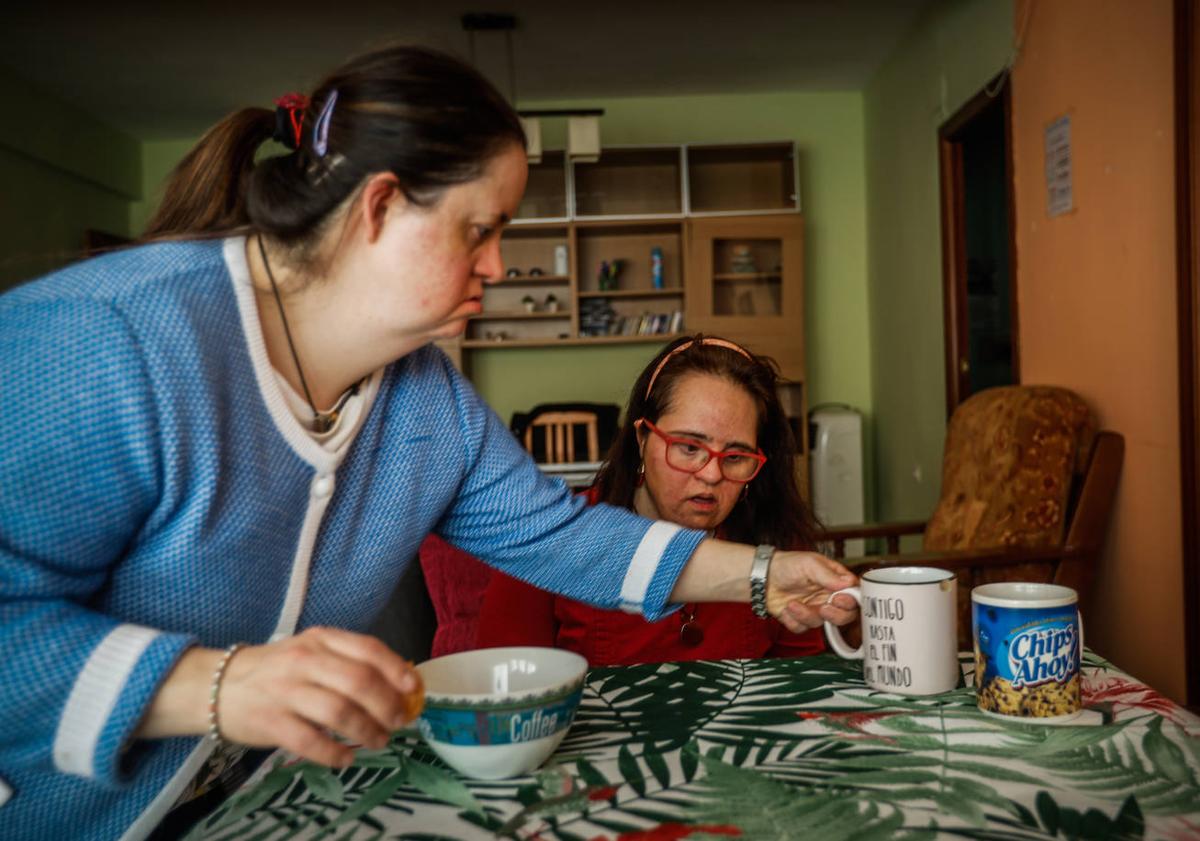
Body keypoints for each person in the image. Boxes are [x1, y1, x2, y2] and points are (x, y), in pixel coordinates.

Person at [0, 44, 857, 841]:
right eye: (479, 230)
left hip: (254, 807)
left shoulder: (424, 399)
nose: (494, 265)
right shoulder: (100, 341)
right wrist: (223, 684)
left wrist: (762, 574)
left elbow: (562, 537)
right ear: (380, 207)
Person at [475, 335, 829, 665]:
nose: (710, 475)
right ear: (642, 438)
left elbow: (799, 684)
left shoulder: (778, 540)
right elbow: (503, 688)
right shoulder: (551, 538)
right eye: (689, 448)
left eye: (736, 457)